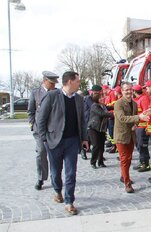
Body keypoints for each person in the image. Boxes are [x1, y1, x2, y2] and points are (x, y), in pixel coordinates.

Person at [37, 71, 89, 216]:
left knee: (71, 172)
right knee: (56, 171)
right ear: (70, 82)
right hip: (54, 141)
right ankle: (57, 191)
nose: (80, 83)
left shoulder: (79, 99)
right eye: (78, 81)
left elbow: (82, 120)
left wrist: (84, 138)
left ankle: (69, 201)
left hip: (72, 141)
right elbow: (41, 119)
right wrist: (44, 139)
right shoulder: (52, 96)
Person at [114, 82, 149, 193]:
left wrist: (136, 123)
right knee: (125, 159)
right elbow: (122, 118)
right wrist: (138, 117)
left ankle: (123, 176)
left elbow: (136, 119)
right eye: (126, 90)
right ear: (122, 91)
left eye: (130, 89)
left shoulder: (134, 103)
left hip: (131, 135)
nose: (129, 92)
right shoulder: (118, 104)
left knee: (128, 158)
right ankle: (127, 183)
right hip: (121, 135)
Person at [27, 70, 59, 190]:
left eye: (55, 83)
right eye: (51, 83)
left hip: (54, 130)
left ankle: (55, 177)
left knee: (55, 155)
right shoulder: (36, 93)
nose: (54, 85)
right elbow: (31, 111)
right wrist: (31, 124)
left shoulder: (57, 93)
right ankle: (41, 178)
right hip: (40, 130)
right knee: (41, 152)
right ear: (44, 81)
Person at [87, 91, 113, 169]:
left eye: (103, 97)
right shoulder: (95, 106)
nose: (103, 98)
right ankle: (93, 162)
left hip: (101, 129)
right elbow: (102, 114)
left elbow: (111, 107)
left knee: (101, 146)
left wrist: (118, 105)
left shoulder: (103, 106)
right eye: (101, 98)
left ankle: (100, 162)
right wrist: (113, 114)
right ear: (97, 99)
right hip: (93, 128)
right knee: (96, 145)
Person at [132, 84, 151, 172]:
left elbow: (147, 113)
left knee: (142, 145)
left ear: (134, 92)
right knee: (139, 145)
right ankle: (142, 162)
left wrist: (147, 126)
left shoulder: (144, 99)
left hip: (142, 127)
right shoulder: (137, 99)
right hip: (138, 126)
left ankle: (146, 164)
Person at [81, 85, 103, 160]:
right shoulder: (88, 98)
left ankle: (99, 156)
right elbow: (95, 106)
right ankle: (83, 152)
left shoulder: (95, 98)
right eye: (99, 92)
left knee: (97, 140)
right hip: (87, 119)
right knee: (87, 138)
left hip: (94, 120)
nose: (100, 93)